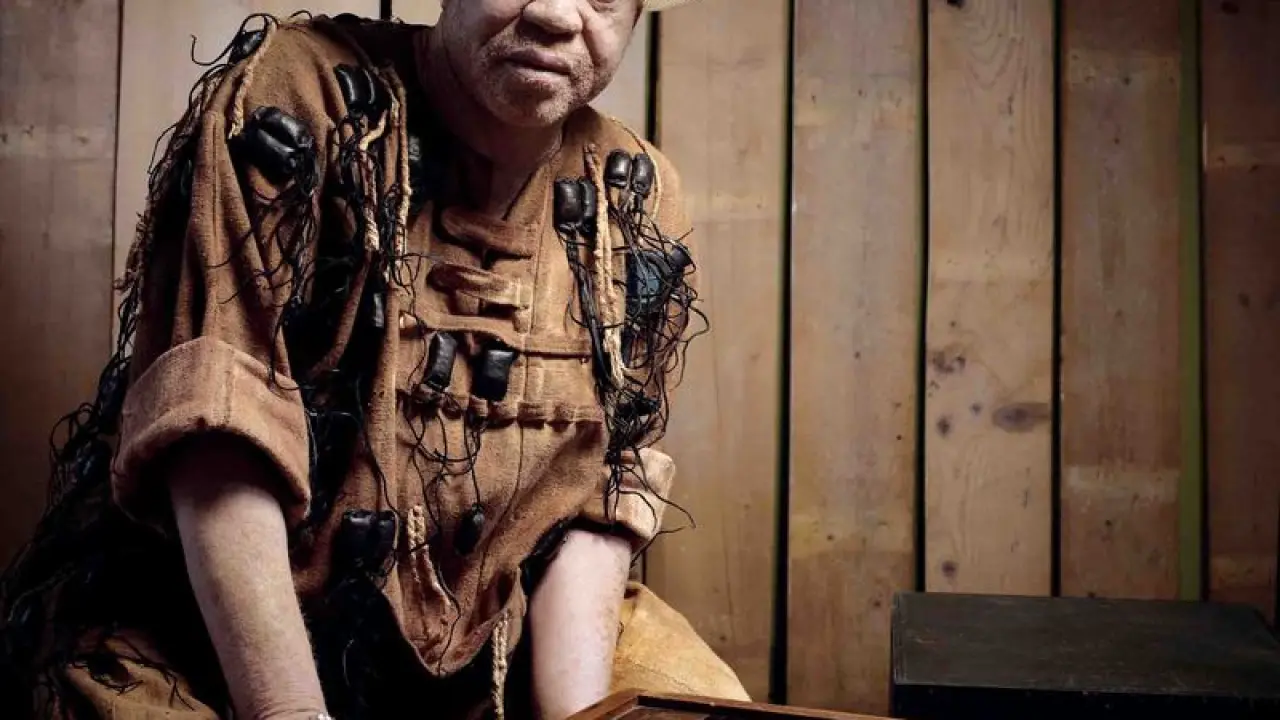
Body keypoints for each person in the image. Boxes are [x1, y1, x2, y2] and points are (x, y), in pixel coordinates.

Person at [0, 1, 749, 718]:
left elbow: (593, 495)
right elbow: (215, 430)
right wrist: (291, 711)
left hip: (494, 642)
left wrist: (576, 716)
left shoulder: (633, 194)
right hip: (217, 635)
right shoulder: (301, 94)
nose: (556, 14)